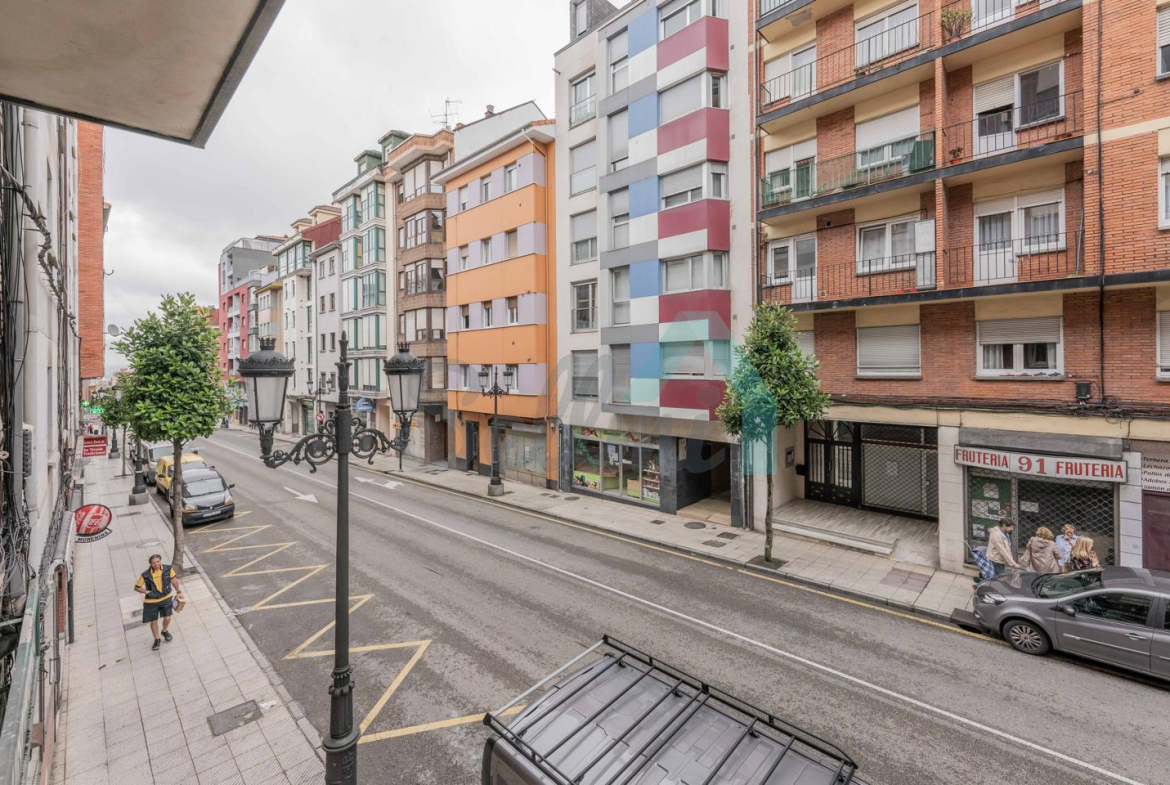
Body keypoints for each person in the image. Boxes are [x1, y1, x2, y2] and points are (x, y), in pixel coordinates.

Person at [135, 554, 184, 651]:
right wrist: (147, 592)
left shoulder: (168, 569)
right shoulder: (145, 575)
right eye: (153, 563)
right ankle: (157, 639)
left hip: (166, 598)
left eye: (158, 561)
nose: (156, 564)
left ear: (160, 561)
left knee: (167, 618)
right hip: (151, 601)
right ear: (150, 564)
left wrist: (178, 592)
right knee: (154, 621)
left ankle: (164, 631)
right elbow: (137, 587)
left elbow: (174, 581)